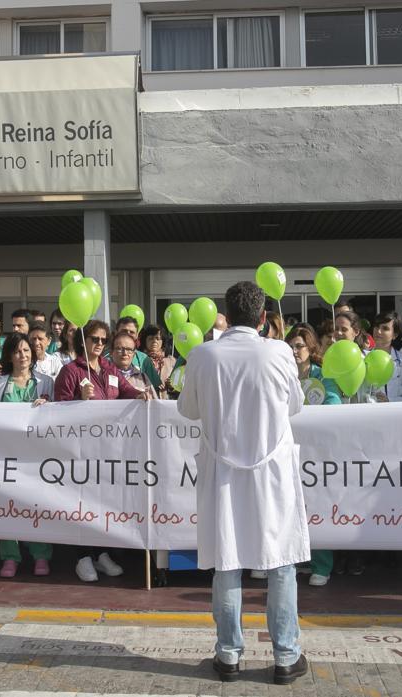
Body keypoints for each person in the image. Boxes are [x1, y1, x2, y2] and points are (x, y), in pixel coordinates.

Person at [178, 280, 310, 685]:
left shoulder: (203, 354)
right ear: (265, 318)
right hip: (271, 472)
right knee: (280, 562)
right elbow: (296, 405)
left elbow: (188, 410)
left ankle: (229, 654)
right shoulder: (280, 351)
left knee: (228, 562)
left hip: (223, 473)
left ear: (226, 315)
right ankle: (286, 656)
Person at [53, 319, 150, 581]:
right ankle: (82, 556)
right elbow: (57, 412)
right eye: (93, 339)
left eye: (102, 340)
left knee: (104, 503)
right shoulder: (70, 371)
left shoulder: (109, 369)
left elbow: (127, 389)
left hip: (109, 450)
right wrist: (78, 400)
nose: (98, 344)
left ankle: (101, 553)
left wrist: (141, 394)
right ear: (81, 341)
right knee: (81, 504)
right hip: (80, 451)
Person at [0, 333, 55, 577]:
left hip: (37, 457)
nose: (22, 355)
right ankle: (10, 557)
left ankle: (41, 555)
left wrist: (48, 407)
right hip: (7, 455)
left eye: (26, 350)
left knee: (37, 506)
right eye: (17, 351)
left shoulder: (46, 382)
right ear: (9, 356)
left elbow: (59, 414)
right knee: (8, 506)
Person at [287, 324, 341, 587]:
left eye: (300, 346)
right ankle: (297, 560)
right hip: (287, 449)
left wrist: (308, 414)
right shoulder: (282, 373)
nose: (295, 350)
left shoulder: (323, 374)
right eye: (291, 346)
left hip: (317, 452)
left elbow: (334, 403)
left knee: (316, 507)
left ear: (310, 348)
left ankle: (322, 565)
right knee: (290, 507)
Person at [355, 312, 402, 403]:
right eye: (377, 326)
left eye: (385, 328)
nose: (378, 331)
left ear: (395, 335)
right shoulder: (362, 358)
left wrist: (390, 400)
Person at [110, 316, 162, 387]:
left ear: (137, 335)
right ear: (116, 332)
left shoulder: (144, 359)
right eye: (124, 331)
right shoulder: (104, 358)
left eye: (131, 332)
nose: (128, 334)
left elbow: (154, 388)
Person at [139, 325, 175, 398]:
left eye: (158, 338)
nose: (154, 341)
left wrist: (172, 386)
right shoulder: (140, 359)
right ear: (145, 341)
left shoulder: (171, 361)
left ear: (162, 341)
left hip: (165, 404)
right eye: (151, 338)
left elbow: (180, 386)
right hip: (145, 402)